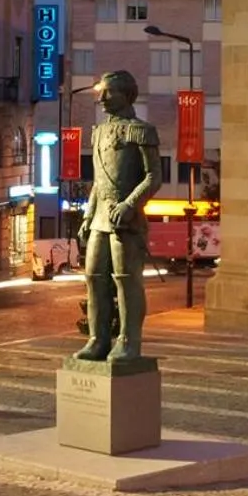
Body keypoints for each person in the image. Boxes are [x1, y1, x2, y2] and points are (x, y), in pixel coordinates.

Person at [73, 70, 162, 361]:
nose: (101, 98)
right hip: (99, 216)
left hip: (126, 218)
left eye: (108, 92)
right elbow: (99, 182)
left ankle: (128, 341)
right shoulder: (98, 132)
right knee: (94, 277)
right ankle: (98, 339)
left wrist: (129, 205)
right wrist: (87, 216)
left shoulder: (142, 130)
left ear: (127, 94)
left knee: (126, 279)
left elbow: (153, 177)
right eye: (101, 92)